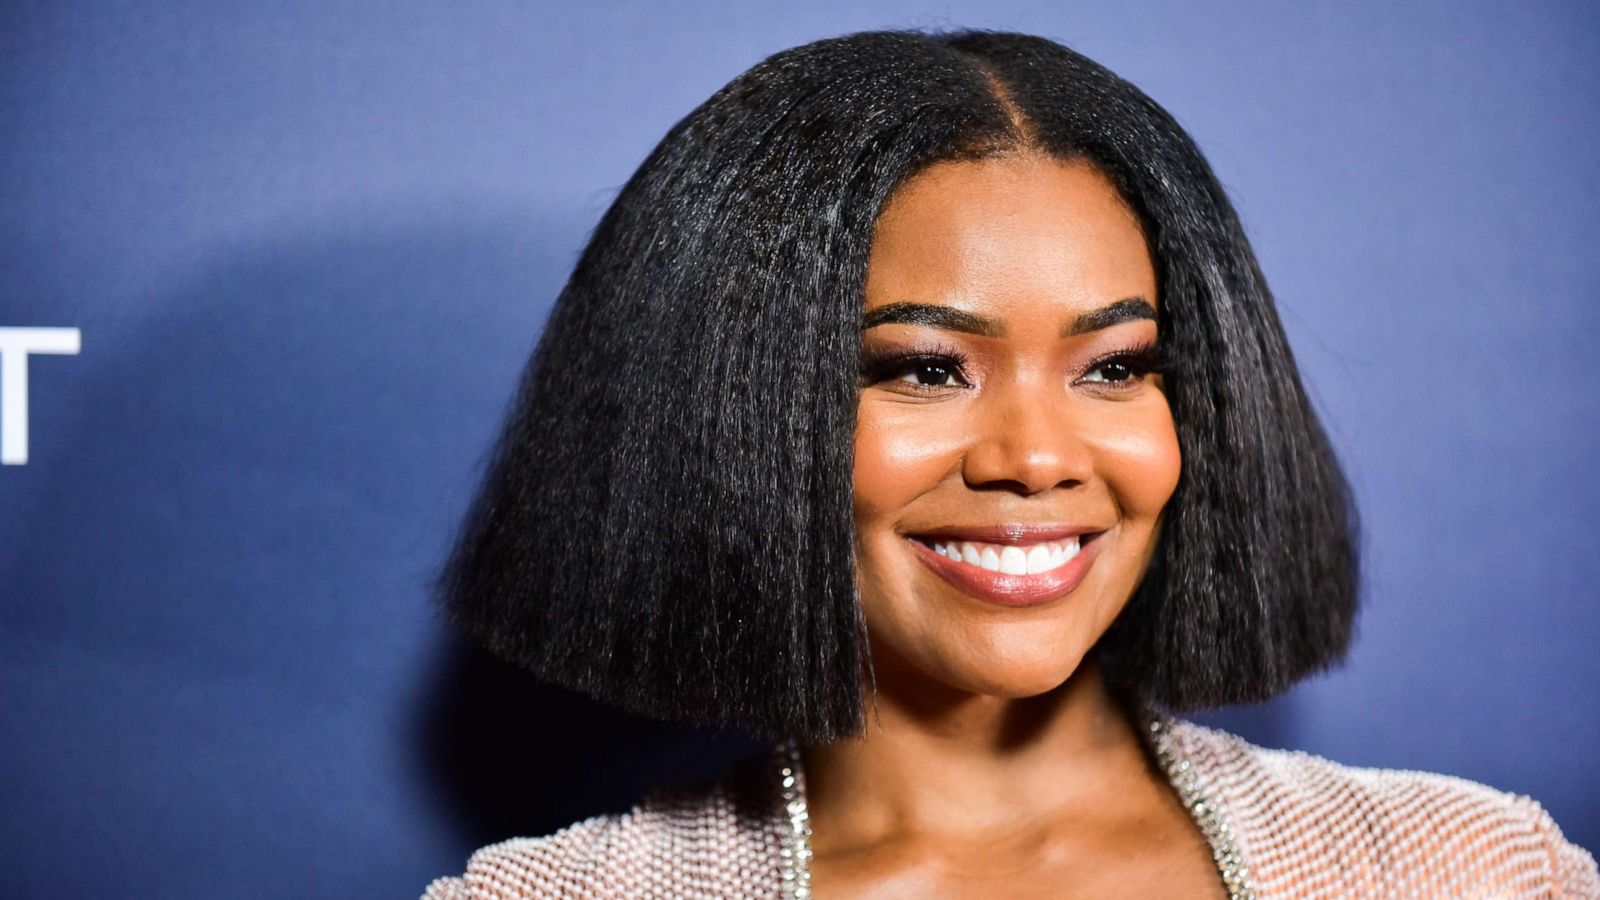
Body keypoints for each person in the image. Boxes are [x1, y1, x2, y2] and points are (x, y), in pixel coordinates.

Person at [422, 27, 1599, 898]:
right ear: (734, 412)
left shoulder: (1472, 871)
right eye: (927, 369)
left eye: (1113, 366)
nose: (1038, 458)